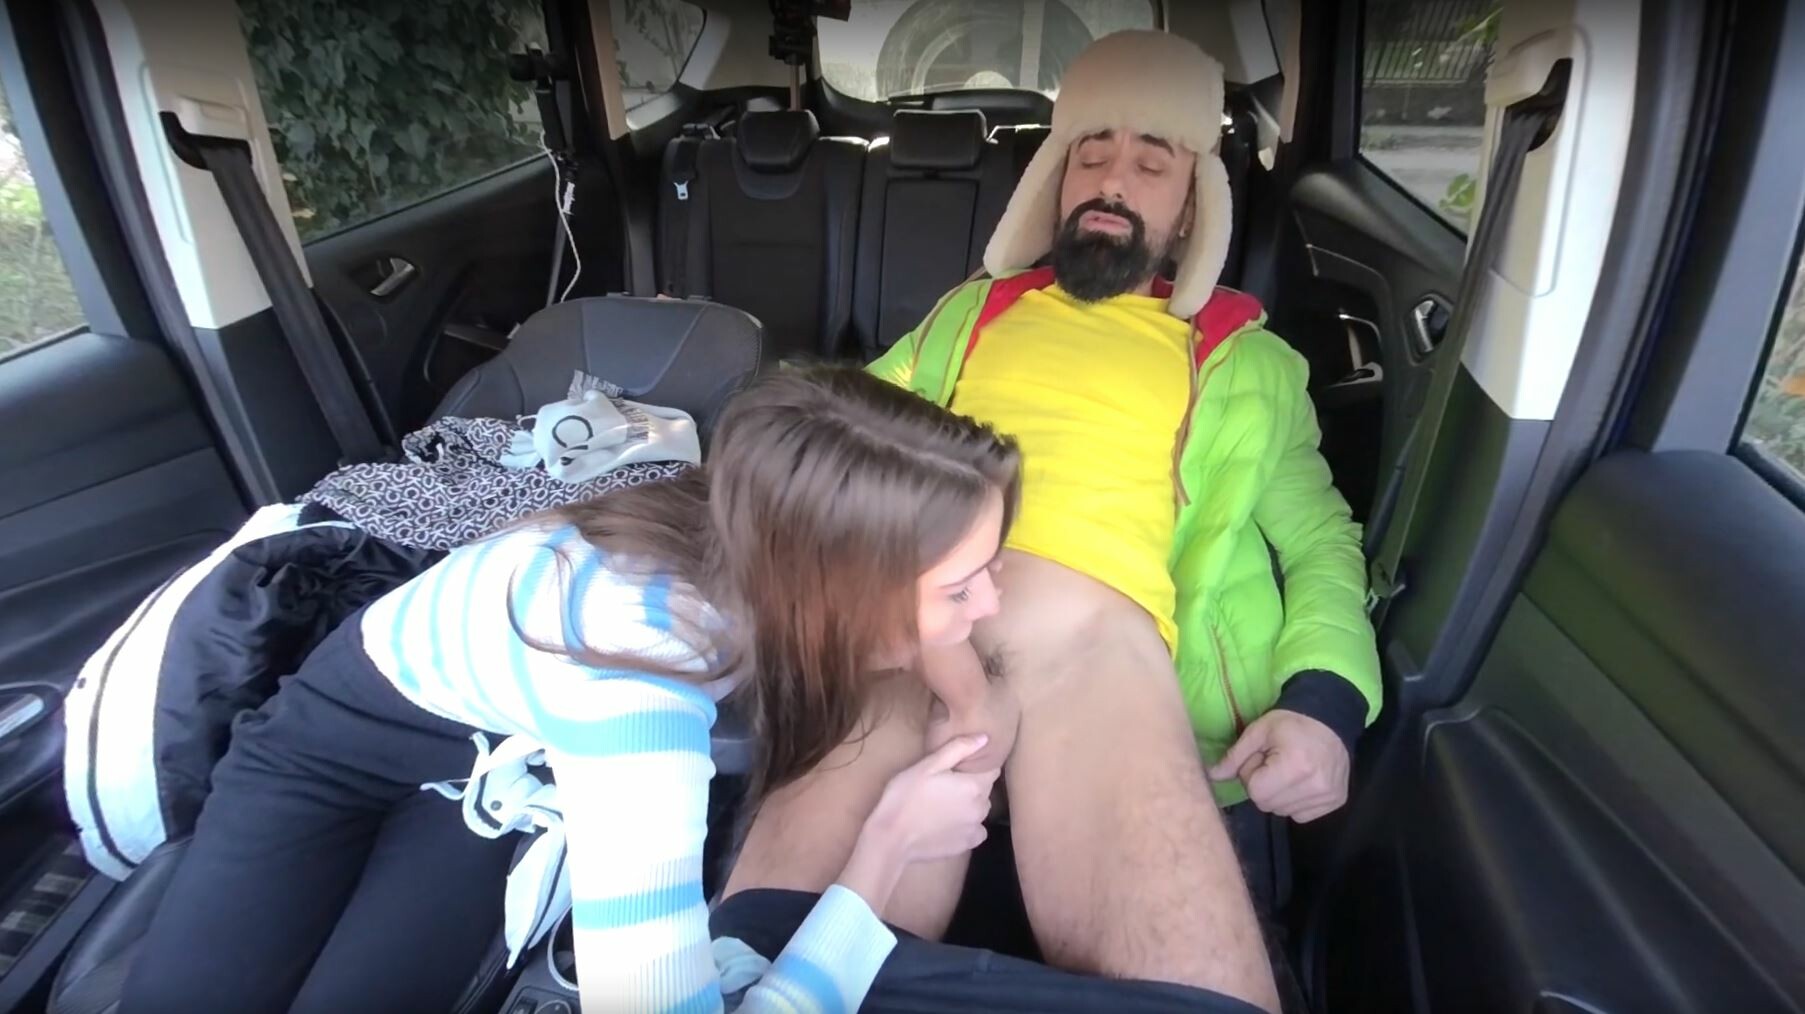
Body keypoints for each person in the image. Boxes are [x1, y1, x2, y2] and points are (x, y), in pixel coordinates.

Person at [724, 30, 1379, 1013]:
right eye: (1090, 154)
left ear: (1192, 203)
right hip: (906, 629)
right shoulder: (970, 313)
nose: (1112, 180)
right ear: (1054, 178)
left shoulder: (1245, 358)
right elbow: (841, 430)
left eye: (1150, 163)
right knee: (757, 959)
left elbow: (1323, 542)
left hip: (1094, 648)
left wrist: (1324, 702)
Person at [120, 366, 1023, 1014]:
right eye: (960, 588)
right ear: (833, 592)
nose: (990, 606)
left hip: (476, 782)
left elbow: (923, 624)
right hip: (323, 753)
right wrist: (886, 849)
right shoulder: (634, 684)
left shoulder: (754, 525)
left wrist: (969, 703)